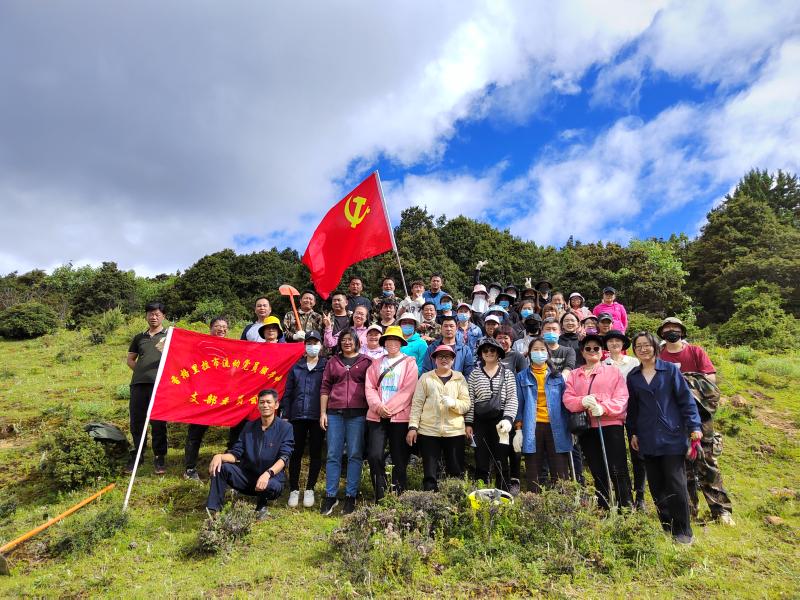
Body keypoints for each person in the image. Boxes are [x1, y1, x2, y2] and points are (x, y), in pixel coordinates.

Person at [657, 317, 735, 525]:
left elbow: (710, 379)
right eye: (667, 328)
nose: (671, 331)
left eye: (675, 328)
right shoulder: (659, 355)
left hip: (700, 414)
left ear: (682, 332)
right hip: (672, 416)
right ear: (662, 333)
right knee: (681, 463)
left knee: (706, 460)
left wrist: (684, 382)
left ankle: (721, 510)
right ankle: (689, 509)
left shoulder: (695, 351)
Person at [627, 332, 703, 544]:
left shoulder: (669, 370)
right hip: (647, 436)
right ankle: (667, 527)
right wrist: (633, 432)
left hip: (672, 435)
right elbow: (633, 408)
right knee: (656, 485)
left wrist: (694, 425)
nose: (643, 349)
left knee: (675, 483)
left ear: (655, 347)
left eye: (647, 345)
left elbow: (685, 399)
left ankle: (684, 531)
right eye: (638, 346)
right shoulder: (633, 376)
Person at [563, 334, 633, 510]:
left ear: (602, 352)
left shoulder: (613, 371)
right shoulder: (574, 374)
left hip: (610, 424)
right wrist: (581, 401)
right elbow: (568, 399)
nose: (592, 351)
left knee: (617, 468)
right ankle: (604, 506)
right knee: (597, 469)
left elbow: (622, 397)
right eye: (588, 348)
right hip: (587, 426)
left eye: (596, 348)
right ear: (582, 352)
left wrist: (604, 407)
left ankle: (626, 507)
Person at [206, 389, 293, 521]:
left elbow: (284, 457)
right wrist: (219, 456)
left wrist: (268, 474)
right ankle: (214, 510)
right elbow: (236, 454)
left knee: (270, 484)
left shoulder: (285, 428)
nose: (265, 405)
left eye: (269, 402)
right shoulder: (249, 427)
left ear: (276, 405)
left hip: (271, 480)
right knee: (221, 467)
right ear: (258, 405)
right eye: (262, 402)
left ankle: (261, 507)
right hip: (249, 478)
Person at [319, 329, 372, 516]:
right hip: (335, 414)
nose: (347, 342)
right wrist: (323, 413)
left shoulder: (366, 362)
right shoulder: (333, 362)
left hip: (358, 415)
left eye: (350, 339)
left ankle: (351, 496)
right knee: (333, 454)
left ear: (357, 342)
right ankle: (330, 495)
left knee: (355, 455)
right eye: (343, 340)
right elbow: (325, 387)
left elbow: (372, 387)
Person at [406, 345, 471, 491]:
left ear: (453, 360)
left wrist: (454, 403)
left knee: (455, 471)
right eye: (440, 356)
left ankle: (454, 499)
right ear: (434, 360)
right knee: (430, 473)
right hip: (429, 431)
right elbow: (417, 404)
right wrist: (413, 427)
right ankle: (429, 499)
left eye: (447, 356)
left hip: (454, 431)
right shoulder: (426, 378)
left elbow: (466, 404)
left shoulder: (459, 378)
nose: (444, 359)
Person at [365, 326, 419, 501]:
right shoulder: (376, 363)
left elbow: (408, 390)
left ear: (401, 343)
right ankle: (380, 495)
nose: (392, 343)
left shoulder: (409, 363)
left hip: (400, 417)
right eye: (389, 340)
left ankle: (398, 496)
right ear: (384, 342)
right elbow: (370, 387)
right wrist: (378, 407)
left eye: (396, 340)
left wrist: (388, 409)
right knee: (374, 455)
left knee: (399, 458)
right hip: (377, 416)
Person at [514, 338, 573, 492]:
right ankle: (533, 502)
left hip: (557, 426)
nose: (539, 352)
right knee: (533, 470)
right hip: (532, 426)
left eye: (542, 349)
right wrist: (518, 430)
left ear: (548, 353)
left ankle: (561, 502)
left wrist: (571, 427)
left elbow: (565, 404)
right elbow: (519, 405)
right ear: (529, 353)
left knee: (560, 471)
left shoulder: (557, 376)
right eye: (535, 349)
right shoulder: (521, 377)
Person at [465, 337, 518, 491]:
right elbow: (470, 400)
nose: (489, 353)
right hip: (480, 421)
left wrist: (508, 419)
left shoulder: (507, 374)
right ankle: (481, 492)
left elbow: (512, 398)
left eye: (492, 350)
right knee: (481, 458)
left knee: (501, 458)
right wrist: (469, 423)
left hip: (501, 421)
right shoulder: (474, 374)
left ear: (498, 353)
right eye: (485, 350)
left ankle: (503, 493)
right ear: (481, 354)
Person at [281, 331, 327, 509]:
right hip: (297, 416)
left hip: (317, 416)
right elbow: (288, 392)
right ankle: (294, 488)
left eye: (315, 343)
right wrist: (286, 415)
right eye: (309, 343)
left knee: (316, 453)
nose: (312, 346)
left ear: (321, 345)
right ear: (304, 345)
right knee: (295, 453)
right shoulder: (296, 367)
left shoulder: (326, 366)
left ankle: (310, 488)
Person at [602, 330, 645, 510]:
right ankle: (624, 494)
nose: (614, 344)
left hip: (635, 412)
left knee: (638, 454)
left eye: (617, 340)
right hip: (614, 415)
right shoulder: (603, 365)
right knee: (618, 455)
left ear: (623, 344)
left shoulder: (634, 362)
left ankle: (640, 495)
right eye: (610, 341)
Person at [183, 317, 229, 480]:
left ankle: (230, 466)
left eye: (224, 326)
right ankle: (190, 468)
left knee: (236, 429)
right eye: (217, 326)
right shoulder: (201, 345)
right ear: (210, 328)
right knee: (196, 432)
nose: (221, 329)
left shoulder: (232, 346)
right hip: (204, 395)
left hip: (225, 396)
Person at [126, 301, 169, 474]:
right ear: (146, 316)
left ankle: (159, 457)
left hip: (159, 385)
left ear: (163, 316)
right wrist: (141, 371)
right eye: (151, 314)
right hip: (138, 385)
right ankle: (138, 455)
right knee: (137, 421)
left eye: (157, 314)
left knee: (158, 421)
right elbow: (130, 359)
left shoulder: (169, 335)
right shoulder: (139, 337)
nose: (154, 317)